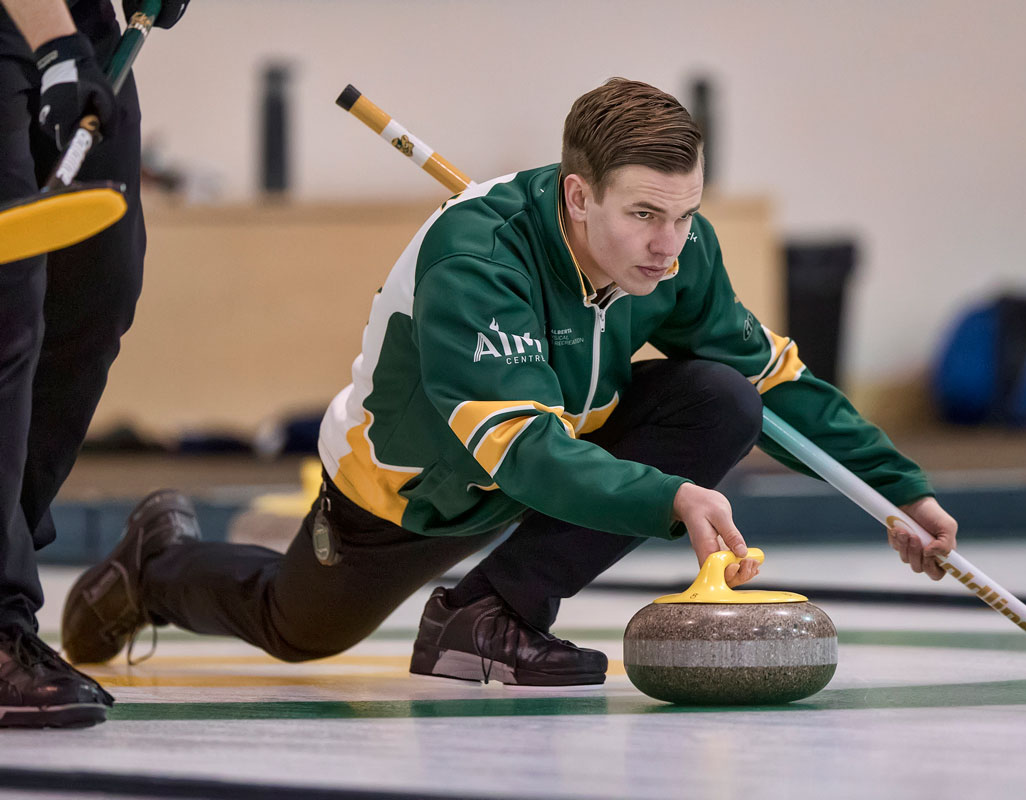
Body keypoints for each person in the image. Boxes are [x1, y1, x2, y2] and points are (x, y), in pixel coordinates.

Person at [61, 78, 958, 689]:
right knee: (301, 631)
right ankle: (154, 566)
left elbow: (775, 375)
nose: (669, 245)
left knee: (725, 397)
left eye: (684, 215)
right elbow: (523, 452)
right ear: (577, 196)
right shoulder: (477, 257)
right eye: (644, 214)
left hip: (562, 441)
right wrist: (670, 498)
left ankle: (487, 616)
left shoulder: (678, 257)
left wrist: (897, 492)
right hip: (414, 488)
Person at [0, 0, 188, 728]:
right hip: (36, 27)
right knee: (7, 312)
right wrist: (51, 44)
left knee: (100, 292)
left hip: (79, 25)